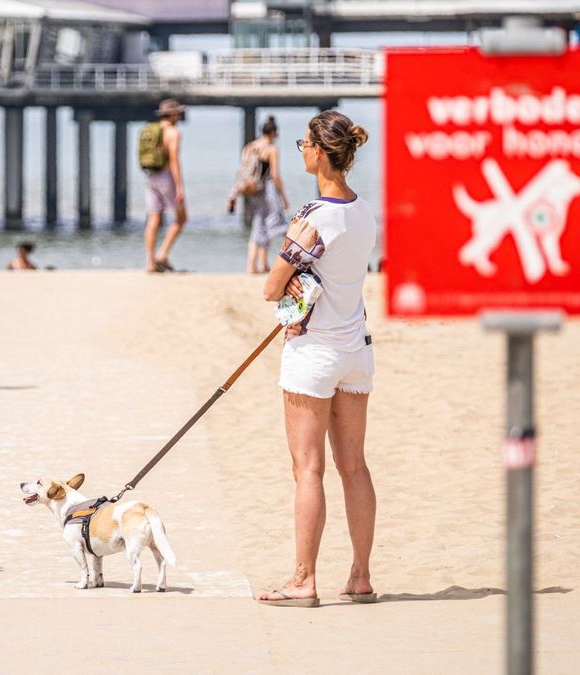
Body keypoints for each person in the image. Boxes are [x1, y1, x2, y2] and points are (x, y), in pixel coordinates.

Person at [256, 110, 377, 607]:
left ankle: (304, 580)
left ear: (322, 152)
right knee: (355, 466)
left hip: (313, 354)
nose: (300, 150)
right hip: (356, 351)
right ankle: (361, 576)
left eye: (304, 144)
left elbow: (271, 288)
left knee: (308, 469)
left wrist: (292, 271)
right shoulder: (364, 211)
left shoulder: (313, 216)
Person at [228, 116, 291, 275]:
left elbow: (242, 171)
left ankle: (257, 265)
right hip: (266, 188)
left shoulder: (249, 147)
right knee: (273, 222)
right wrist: (284, 197)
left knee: (259, 222)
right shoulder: (271, 149)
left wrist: (235, 192)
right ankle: (258, 265)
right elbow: (275, 175)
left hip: (251, 190)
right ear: (274, 133)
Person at [143, 99, 187, 274]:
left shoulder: (151, 130)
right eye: (178, 113)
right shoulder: (173, 132)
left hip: (151, 176)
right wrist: (179, 186)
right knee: (182, 217)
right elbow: (174, 160)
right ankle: (162, 253)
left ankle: (150, 262)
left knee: (153, 219)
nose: (180, 117)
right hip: (166, 177)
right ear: (173, 114)